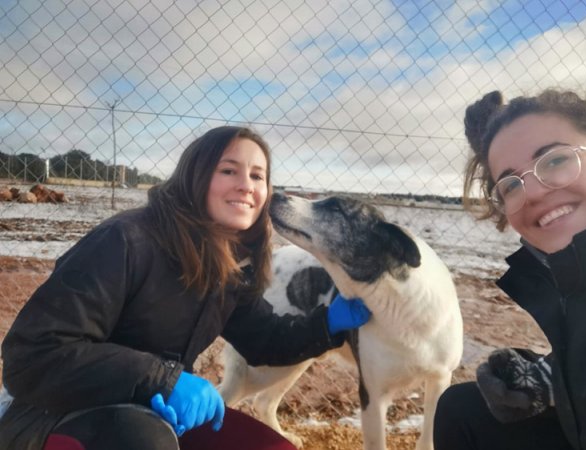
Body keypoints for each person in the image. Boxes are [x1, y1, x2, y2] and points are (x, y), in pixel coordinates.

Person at [0, 126, 372, 450]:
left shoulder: (229, 263)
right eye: (229, 170)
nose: (247, 185)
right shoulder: (126, 241)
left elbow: (265, 339)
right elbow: (32, 356)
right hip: (51, 414)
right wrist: (163, 379)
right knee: (143, 440)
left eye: (258, 176)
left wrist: (330, 324)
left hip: (154, 414)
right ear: (196, 176)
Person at [433, 89, 586, 450]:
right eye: (511, 184)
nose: (532, 192)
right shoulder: (582, 267)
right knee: (461, 409)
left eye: (556, 159)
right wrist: (552, 379)